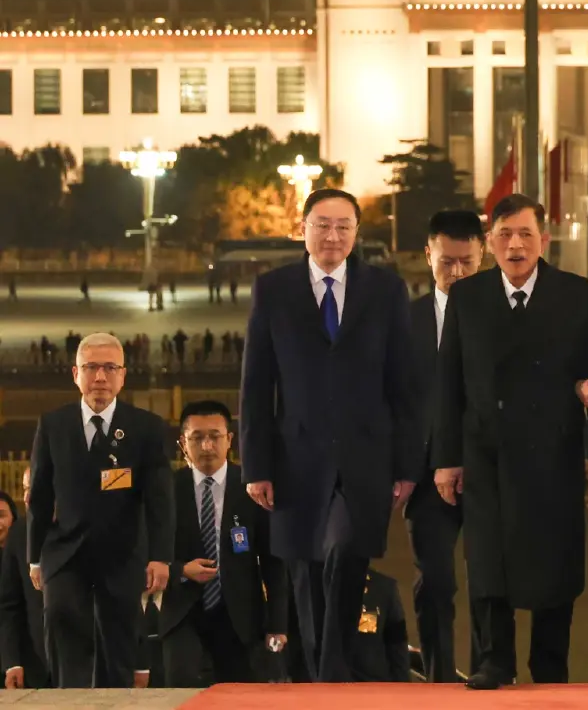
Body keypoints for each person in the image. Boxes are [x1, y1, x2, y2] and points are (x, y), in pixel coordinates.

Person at [432, 193, 588, 690]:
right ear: (489, 241)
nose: (515, 245)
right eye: (505, 235)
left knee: (554, 564)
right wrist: (446, 459)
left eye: (526, 235)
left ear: (545, 240)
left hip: (553, 454)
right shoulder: (468, 297)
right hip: (486, 454)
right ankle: (494, 661)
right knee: (488, 562)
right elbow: (448, 384)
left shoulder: (580, 296)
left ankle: (550, 664)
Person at [239, 188, 421, 682]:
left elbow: (403, 384)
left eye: (344, 226)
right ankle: (324, 675)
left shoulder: (385, 290)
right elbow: (257, 386)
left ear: (357, 232)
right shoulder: (273, 289)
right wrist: (256, 467)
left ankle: (331, 668)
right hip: (296, 457)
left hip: (366, 457)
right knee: (304, 572)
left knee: (346, 552)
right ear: (303, 229)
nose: (333, 235)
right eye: (322, 224)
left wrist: (406, 466)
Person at [27, 332, 174, 688]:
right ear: (75, 373)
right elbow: (41, 497)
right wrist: (35, 557)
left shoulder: (147, 428)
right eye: (91, 367)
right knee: (61, 622)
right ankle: (67, 699)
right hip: (65, 551)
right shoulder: (52, 425)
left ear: (123, 374)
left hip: (122, 553)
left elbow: (159, 499)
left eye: (110, 368)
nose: (100, 377)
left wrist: (160, 557)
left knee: (118, 645)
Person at [405, 210, 485, 682]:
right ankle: (437, 676)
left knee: (486, 584)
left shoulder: (502, 316)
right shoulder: (404, 320)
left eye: (466, 263)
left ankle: (484, 671)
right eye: (446, 262)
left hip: (483, 471)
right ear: (427, 255)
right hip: (424, 475)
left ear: (483, 258)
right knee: (434, 581)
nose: (456, 273)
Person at [159, 400, 289, 687]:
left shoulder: (253, 488)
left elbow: (274, 562)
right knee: (182, 691)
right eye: (197, 438)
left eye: (214, 436)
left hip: (240, 618)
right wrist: (181, 569)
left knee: (239, 697)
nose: (206, 446)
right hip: (182, 612)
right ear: (183, 442)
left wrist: (278, 624)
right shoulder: (166, 488)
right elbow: (147, 550)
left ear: (229, 439)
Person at [0, 474, 48, 690]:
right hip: (34, 666)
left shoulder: (86, 527)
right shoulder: (18, 535)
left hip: (84, 661)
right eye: (25, 488)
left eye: (33, 487)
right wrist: (11, 662)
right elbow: (10, 605)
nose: (28, 495)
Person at [349, 568, 412, 682]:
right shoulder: (313, 587)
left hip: (373, 688)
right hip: (323, 690)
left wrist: (403, 690)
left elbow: (397, 644)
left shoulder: (383, 588)